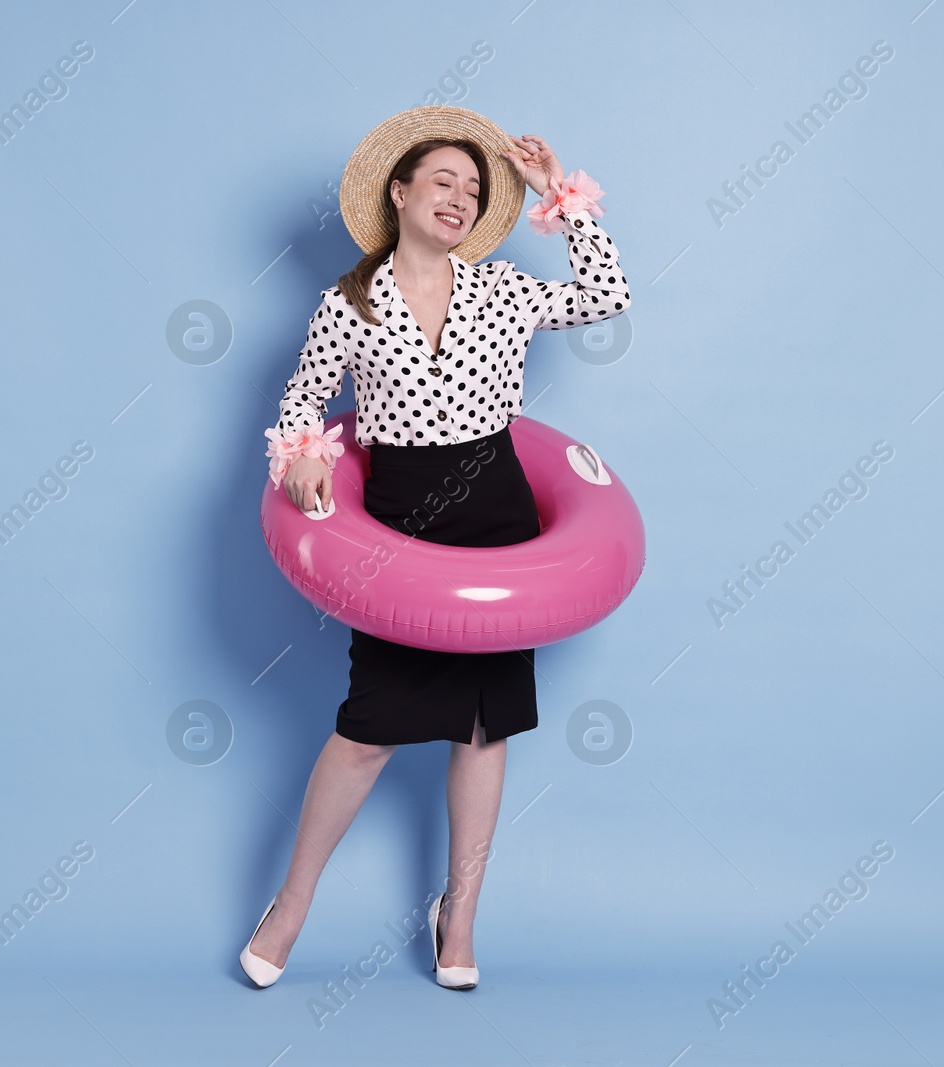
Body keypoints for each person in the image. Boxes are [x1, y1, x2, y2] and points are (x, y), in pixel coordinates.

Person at [242, 105, 630, 990]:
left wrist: (561, 199)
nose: (459, 197)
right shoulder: (347, 302)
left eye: (474, 188)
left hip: (496, 506)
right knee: (368, 729)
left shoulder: (504, 289)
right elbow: (302, 402)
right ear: (400, 191)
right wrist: (304, 463)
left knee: (484, 728)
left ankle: (461, 914)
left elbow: (605, 295)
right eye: (443, 181)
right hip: (399, 519)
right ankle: (291, 903)